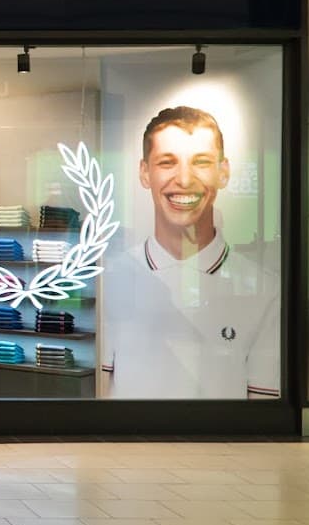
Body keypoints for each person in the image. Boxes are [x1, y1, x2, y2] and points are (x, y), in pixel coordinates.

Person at [100, 105, 279, 399]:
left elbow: (265, 410)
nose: (184, 179)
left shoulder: (265, 291)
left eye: (201, 162)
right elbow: (99, 397)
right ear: (145, 173)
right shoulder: (111, 280)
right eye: (167, 162)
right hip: (128, 444)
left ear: (224, 172)